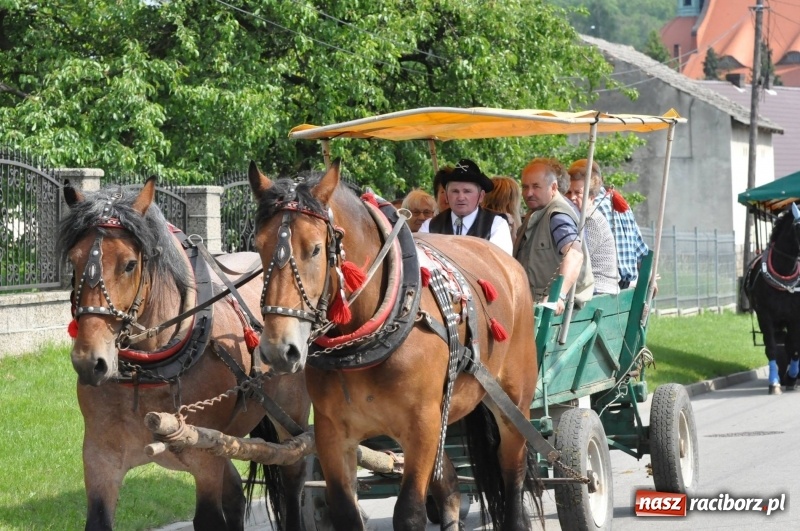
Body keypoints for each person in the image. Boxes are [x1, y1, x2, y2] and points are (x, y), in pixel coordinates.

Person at [513, 158, 594, 315]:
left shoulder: (558, 215)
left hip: (555, 313)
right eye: (525, 187)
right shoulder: (537, 212)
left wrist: (558, 296)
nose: (529, 193)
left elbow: (574, 254)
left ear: (554, 187)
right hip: (532, 306)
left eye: (536, 186)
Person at [571, 159, 650, 289]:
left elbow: (579, 258)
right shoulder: (624, 206)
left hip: (606, 287)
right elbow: (642, 252)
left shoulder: (591, 208)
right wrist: (649, 278)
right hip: (631, 288)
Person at [419, 158, 513, 255]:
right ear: (446, 196)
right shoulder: (430, 226)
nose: (460, 197)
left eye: (467, 191)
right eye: (455, 191)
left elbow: (498, 262)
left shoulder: (496, 224)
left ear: (481, 196)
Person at [564, 161, 620, 295]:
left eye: (578, 193)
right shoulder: (579, 217)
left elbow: (579, 259)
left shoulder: (591, 220)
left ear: (592, 197)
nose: (572, 197)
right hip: (589, 288)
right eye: (568, 192)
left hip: (599, 290)